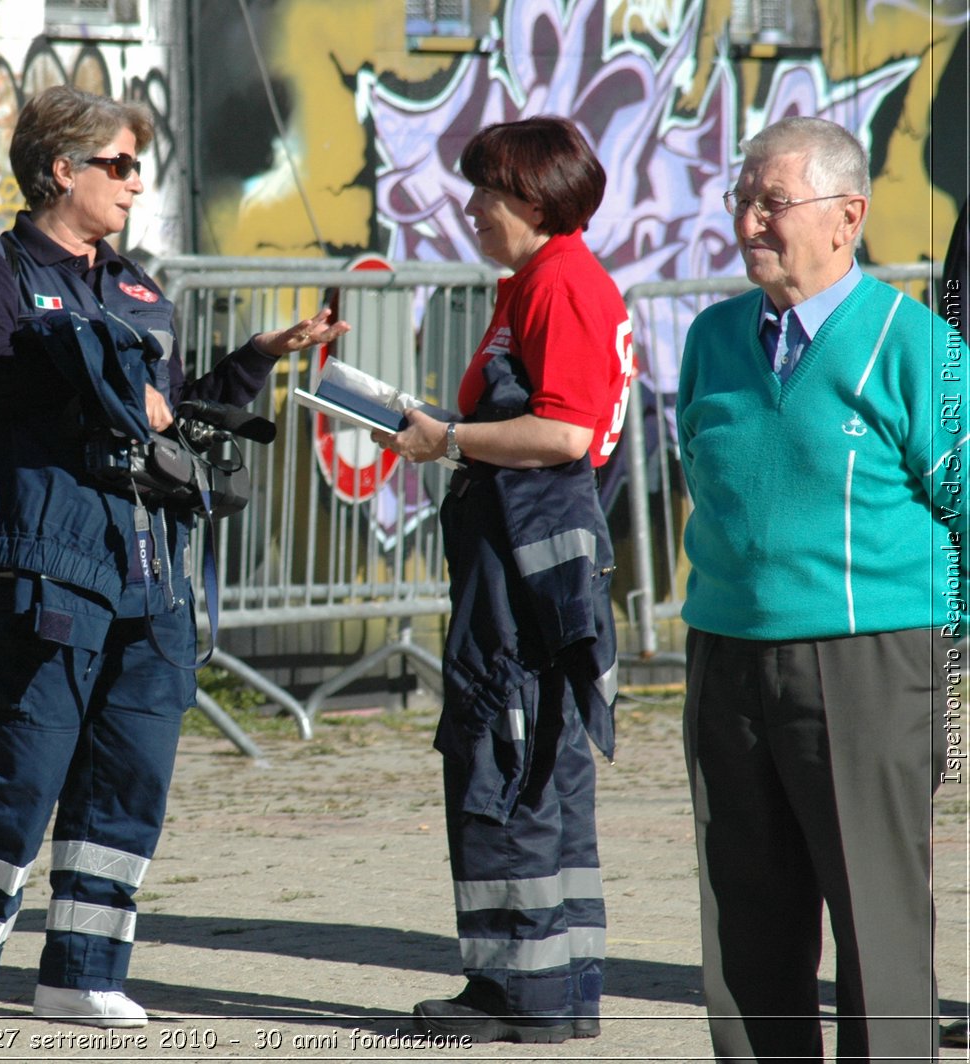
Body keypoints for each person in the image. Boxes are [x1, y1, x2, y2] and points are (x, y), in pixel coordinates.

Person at [0, 84, 348, 1031]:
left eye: (138, 166)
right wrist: (105, 384)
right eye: (119, 165)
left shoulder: (137, 283)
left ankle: (83, 969)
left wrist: (257, 357)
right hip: (46, 558)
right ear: (61, 170)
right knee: (21, 770)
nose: (135, 184)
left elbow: (169, 410)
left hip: (151, 570)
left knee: (129, 773)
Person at [676, 116, 961, 1062]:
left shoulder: (917, 345)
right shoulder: (713, 339)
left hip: (870, 657)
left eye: (773, 202)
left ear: (849, 216)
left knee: (875, 915)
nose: (750, 220)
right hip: (726, 650)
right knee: (745, 917)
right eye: (742, 200)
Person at [374, 115, 632, 1044]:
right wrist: (442, 430)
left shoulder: (559, 285)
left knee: (504, 758)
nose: (472, 206)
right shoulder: (544, 281)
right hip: (534, 562)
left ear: (534, 198)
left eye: (486, 190)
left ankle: (517, 995)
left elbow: (562, 432)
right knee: (542, 766)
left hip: (525, 570)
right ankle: (558, 986)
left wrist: (450, 440)